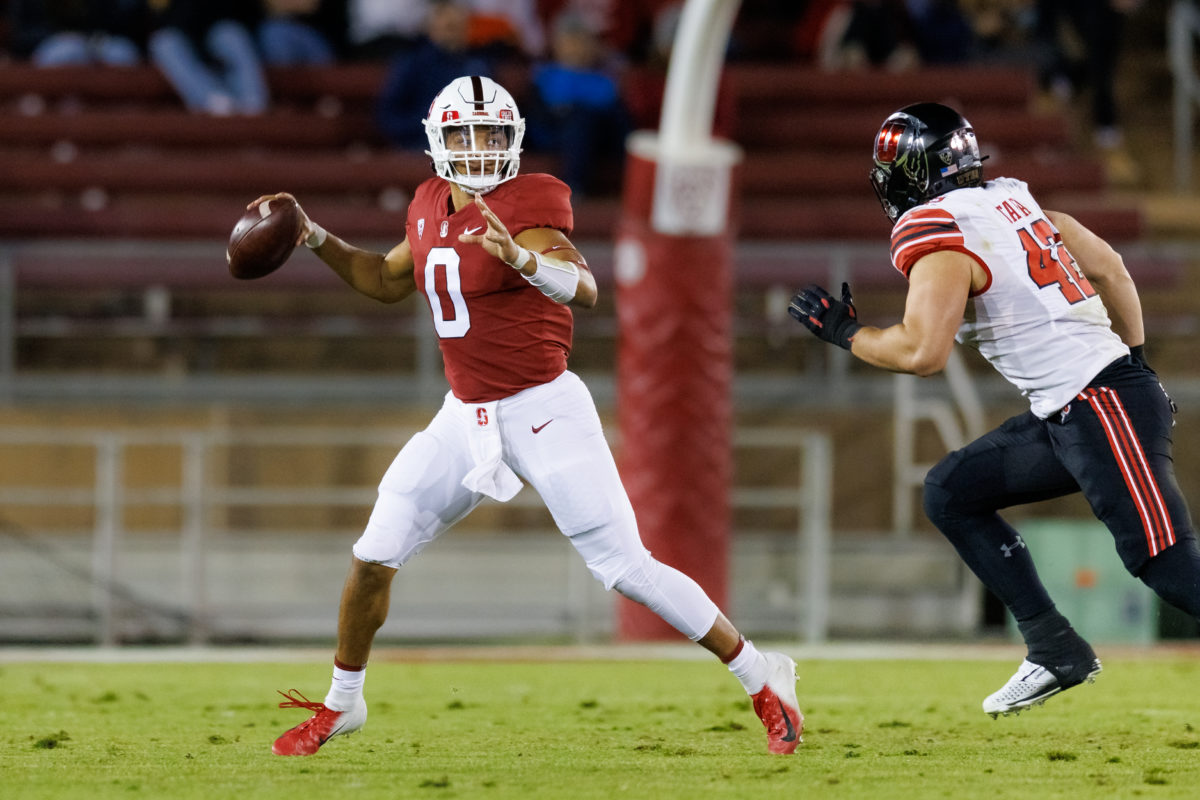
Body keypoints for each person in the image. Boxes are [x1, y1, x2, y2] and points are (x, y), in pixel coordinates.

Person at [263, 74, 803, 756]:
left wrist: (518, 257)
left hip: (543, 408)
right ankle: (343, 704)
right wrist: (313, 236)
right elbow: (384, 279)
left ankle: (762, 676)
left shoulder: (531, 202)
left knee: (625, 568)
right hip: (464, 415)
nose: (480, 148)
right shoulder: (429, 203)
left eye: (492, 135)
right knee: (374, 553)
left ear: (513, 140)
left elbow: (585, 286)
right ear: (439, 140)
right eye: (465, 135)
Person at [789, 102, 1200, 717]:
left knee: (1167, 565)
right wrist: (1137, 359)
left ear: (913, 174)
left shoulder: (937, 230)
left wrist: (847, 334)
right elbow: (1111, 269)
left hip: (1098, 399)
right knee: (952, 491)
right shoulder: (1018, 205)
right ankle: (1053, 646)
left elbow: (923, 351)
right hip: (1079, 406)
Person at [375, 0, 491, 149]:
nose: (454, 35)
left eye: (460, 27)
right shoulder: (413, 64)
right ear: (431, 29)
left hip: (473, 148)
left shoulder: (479, 65)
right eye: (449, 28)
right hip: (423, 147)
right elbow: (389, 118)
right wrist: (430, 123)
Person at [145, 0, 269, 115]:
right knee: (164, 42)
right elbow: (163, 21)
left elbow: (252, 15)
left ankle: (253, 104)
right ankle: (214, 103)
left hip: (225, 38)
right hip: (188, 41)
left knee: (230, 32)